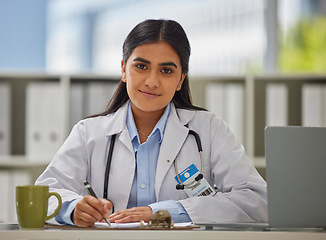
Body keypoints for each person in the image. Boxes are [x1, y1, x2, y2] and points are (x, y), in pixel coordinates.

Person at [36, 19, 267, 227]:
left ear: (180, 80)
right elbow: (42, 195)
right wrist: (73, 208)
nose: (152, 81)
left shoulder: (208, 129)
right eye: (141, 66)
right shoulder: (89, 133)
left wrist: (160, 213)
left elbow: (256, 199)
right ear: (124, 70)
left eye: (166, 70)